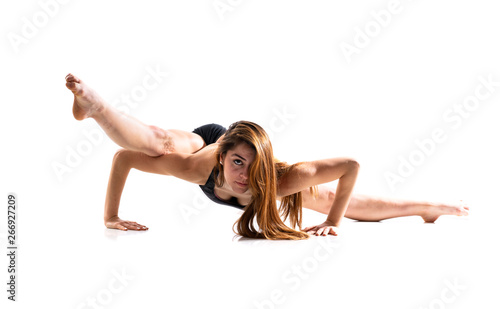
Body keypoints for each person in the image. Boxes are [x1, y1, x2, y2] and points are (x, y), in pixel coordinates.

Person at [64, 73, 469, 240]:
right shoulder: (199, 167)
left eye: (251, 168)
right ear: (224, 159)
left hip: (245, 148)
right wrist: (110, 216)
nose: (244, 176)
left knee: (336, 202)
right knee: (160, 141)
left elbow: (351, 167)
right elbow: (124, 158)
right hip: (211, 141)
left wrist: (330, 221)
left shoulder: (283, 179)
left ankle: (428, 207)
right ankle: (97, 107)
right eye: (237, 164)